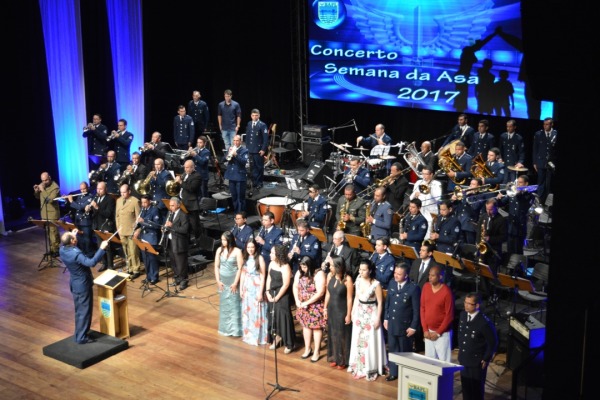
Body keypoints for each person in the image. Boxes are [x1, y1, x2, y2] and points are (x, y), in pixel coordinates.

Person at [59, 230, 108, 344]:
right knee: (85, 311)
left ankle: (79, 333)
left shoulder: (62, 250)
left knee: (79, 311)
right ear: (72, 241)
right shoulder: (76, 254)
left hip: (75, 284)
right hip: (82, 285)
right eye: (73, 238)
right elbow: (91, 263)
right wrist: (102, 249)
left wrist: (72, 236)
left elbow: (67, 244)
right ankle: (82, 337)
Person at [348, 259, 387, 381]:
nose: (361, 271)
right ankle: (358, 365)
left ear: (370, 271)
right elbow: (356, 298)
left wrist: (378, 319)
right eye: (360, 269)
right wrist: (352, 312)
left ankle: (370, 367)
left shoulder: (376, 284)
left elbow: (380, 303)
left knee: (370, 341)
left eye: (364, 270)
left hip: (371, 314)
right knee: (358, 339)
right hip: (360, 313)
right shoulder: (358, 280)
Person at [384, 263, 421, 382]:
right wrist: (386, 318)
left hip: (405, 325)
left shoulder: (413, 288)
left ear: (406, 275)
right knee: (393, 348)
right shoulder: (392, 283)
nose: (396, 275)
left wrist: (413, 327)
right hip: (392, 323)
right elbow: (388, 304)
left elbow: (416, 310)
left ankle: (406, 373)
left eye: (399, 274)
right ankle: (393, 372)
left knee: (405, 350)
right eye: (395, 273)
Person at [458, 292, 498, 400]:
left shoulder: (483, 322)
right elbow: (462, 335)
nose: (466, 305)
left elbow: (493, 342)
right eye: (465, 302)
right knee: (465, 389)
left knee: (476, 390)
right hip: (464, 359)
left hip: (476, 362)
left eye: (469, 304)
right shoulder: (463, 315)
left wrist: (486, 358)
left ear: (477, 305)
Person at [408, 242, 441, 352]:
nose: (420, 252)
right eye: (420, 250)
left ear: (430, 253)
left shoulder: (435, 266)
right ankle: (412, 342)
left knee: (423, 319)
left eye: (423, 250)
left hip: (426, 297)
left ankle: (420, 345)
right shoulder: (416, 262)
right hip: (413, 295)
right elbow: (412, 278)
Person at [293, 256, 327, 362]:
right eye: (301, 266)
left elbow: (320, 292)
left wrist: (307, 302)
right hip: (302, 304)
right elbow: (295, 286)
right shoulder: (300, 272)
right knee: (305, 327)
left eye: (305, 266)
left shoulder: (318, 273)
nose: (303, 269)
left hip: (315, 305)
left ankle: (317, 351)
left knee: (316, 328)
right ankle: (308, 349)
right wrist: (297, 301)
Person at [323, 254, 354, 370]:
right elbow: (328, 294)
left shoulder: (347, 279)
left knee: (342, 335)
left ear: (338, 266)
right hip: (332, 309)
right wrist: (325, 308)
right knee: (333, 333)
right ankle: (335, 357)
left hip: (342, 310)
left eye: (331, 265)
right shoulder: (330, 276)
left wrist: (348, 314)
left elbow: (350, 298)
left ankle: (343, 359)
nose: (329, 267)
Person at [420, 265, 454, 363]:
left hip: (442, 334)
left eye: (433, 276)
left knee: (444, 362)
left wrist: (438, 333)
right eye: (429, 275)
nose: (430, 277)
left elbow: (449, 315)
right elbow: (422, 308)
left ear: (440, 277)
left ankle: (445, 379)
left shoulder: (446, 292)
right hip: (428, 332)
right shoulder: (426, 287)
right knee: (429, 361)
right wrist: (425, 329)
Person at [265, 244, 295, 354]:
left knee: (283, 317)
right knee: (273, 317)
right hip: (272, 292)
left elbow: (286, 284)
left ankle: (289, 343)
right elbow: (269, 277)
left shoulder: (285, 266)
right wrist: (267, 292)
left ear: (278, 254)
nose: (270, 254)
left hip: (282, 295)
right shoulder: (272, 263)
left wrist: (277, 297)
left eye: (272, 253)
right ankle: (276, 337)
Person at [214, 231, 243, 337]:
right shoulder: (219, 250)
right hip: (223, 282)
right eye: (222, 239)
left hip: (233, 282)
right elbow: (216, 266)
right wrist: (218, 280)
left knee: (235, 305)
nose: (222, 242)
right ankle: (225, 329)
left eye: (224, 240)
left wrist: (235, 283)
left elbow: (240, 268)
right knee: (225, 305)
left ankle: (235, 330)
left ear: (230, 240)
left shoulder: (237, 251)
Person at [240, 239, 269, 346]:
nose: (250, 249)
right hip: (247, 287)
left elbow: (263, 276)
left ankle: (259, 337)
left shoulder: (260, 258)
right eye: (248, 247)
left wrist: (261, 292)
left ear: (255, 247)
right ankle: (249, 335)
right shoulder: (245, 257)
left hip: (256, 287)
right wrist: (241, 287)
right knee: (248, 312)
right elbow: (243, 273)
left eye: (252, 247)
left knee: (257, 311)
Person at [497, 174, 534, 256]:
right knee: (509, 249)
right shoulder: (512, 194)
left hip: (520, 227)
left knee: (518, 251)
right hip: (510, 225)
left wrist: (518, 192)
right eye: (517, 182)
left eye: (520, 183)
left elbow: (524, 202)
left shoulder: (529, 195)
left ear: (526, 184)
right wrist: (498, 199)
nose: (518, 184)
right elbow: (501, 203)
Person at [87, 182, 116, 271]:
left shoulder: (110, 199)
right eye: (97, 189)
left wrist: (97, 207)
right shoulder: (96, 198)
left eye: (101, 189)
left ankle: (110, 266)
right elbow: (94, 213)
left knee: (108, 247)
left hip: (106, 226)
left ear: (105, 189)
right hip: (97, 225)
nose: (98, 191)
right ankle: (104, 263)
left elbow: (108, 214)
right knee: (100, 246)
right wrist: (89, 209)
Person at [134, 195, 162, 285]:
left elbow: (156, 225)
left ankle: (154, 277)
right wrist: (137, 227)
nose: (143, 204)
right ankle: (148, 276)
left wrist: (143, 222)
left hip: (151, 237)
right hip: (143, 237)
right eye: (142, 202)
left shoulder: (154, 210)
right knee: (145, 258)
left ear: (149, 201)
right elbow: (140, 223)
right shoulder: (143, 210)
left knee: (152, 258)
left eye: (145, 202)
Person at [115, 183, 141, 279]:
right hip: (122, 230)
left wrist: (137, 230)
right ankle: (129, 268)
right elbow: (117, 216)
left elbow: (138, 217)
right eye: (121, 192)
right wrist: (118, 228)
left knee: (133, 251)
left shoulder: (135, 201)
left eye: (124, 192)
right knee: (126, 251)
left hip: (131, 231)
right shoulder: (118, 201)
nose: (122, 194)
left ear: (129, 191)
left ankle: (136, 269)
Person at [164, 197, 190, 290]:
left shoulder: (183, 215)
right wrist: (164, 228)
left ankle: (184, 280)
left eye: (172, 205)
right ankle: (177, 278)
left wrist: (172, 226)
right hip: (171, 241)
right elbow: (167, 225)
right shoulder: (170, 213)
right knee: (173, 262)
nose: (171, 207)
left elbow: (185, 230)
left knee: (181, 263)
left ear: (178, 205)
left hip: (180, 243)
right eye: (170, 205)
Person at [476, 198, 507, 275]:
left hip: (493, 251)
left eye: (491, 210)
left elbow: (504, 237)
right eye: (487, 209)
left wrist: (490, 239)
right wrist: (477, 242)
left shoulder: (502, 220)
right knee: (481, 273)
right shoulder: (483, 216)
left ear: (496, 208)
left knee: (491, 275)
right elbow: (479, 231)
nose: (488, 212)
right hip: (483, 250)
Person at [33, 172, 61, 256]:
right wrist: (36, 191)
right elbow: (38, 197)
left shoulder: (55, 187)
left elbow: (50, 200)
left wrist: (42, 190)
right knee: (48, 232)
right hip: (44, 213)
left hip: (52, 213)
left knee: (53, 232)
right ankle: (52, 249)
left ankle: (56, 249)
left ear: (50, 177)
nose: (44, 182)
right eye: (42, 180)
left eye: (46, 180)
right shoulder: (43, 186)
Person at [452, 178, 485, 245]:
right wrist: (453, 199)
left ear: (478, 186)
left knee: (470, 245)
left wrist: (468, 196)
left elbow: (475, 207)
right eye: (470, 183)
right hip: (459, 222)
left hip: (469, 225)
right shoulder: (464, 194)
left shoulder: (481, 196)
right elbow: (455, 206)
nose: (470, 185)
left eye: (473, 184)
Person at [176, 159, 201, 243]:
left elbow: (192, 188)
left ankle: (198, 240)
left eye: (188, 167)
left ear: (193, 167)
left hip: (191, 204)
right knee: (185, 223)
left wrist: (180, 182)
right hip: (182, 202)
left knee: (194, 224)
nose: (186, 169)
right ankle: (187, 240)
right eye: (185, 167)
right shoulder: (184, 174)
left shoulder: (197, 176)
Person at [532, 117, 557, 202]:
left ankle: (547, 201)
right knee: (541, 182)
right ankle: (539, 201)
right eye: (544, 124)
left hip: (551, 162)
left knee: (549, 183)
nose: (545, 126)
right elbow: (535, 148)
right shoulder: (538, 134)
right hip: (540, 161)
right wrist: (534, 162)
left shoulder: (555, 134)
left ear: (551, 124)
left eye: (547, 124)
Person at [67, 182, 95, 257]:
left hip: (86, 223)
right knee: (80, 240)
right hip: (78, 222)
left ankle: (89, 256)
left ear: (87, 188)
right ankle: (82, 255)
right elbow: (75, 206)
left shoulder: (90, 197)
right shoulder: (80, 196)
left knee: (87, 241)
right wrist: (67, 200)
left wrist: (71, 201)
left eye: (84, 189)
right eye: (81, 189)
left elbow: (80, 207)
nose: (82, 191)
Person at [224, 135, 249, 214]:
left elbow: (244, 162)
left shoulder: (244, 150)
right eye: (234, 140)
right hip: (231, 176)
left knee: (240, 197)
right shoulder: (230, 148)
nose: (235, 142)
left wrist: (236, 155)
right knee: (234, 196)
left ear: (240, 141)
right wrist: (228, 153)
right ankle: (236, 212)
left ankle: (241, 213)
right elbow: (224, 159)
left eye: (237, 140)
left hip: (240, 176)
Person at [244, 108, 268, 190]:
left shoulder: (262, 125)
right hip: (250, 149)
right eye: (253, 115)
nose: (254, 117)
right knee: (252, 167)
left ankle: (259, 183)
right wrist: (246, 148)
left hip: (258, 150)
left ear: (259, 115)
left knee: (259, 167)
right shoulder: (249, 123)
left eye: (256, 115)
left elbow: (265, 139)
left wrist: (263, 149)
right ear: (251, 116)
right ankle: (254, 182)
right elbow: (247, 137)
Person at [149, 158, 174, 222]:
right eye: (155, 164)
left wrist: (156, 178)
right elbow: (153, 185)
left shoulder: (166, 174)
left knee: (162, 220)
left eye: (158, 164)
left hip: (162, 202)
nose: (156, 166)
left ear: (162, 165)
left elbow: (166, 185)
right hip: (155, 201)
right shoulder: (156, 173)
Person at [190, 135, 211, 199]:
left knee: (203, 193)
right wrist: (189, 154)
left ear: (205, 143)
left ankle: (205, 207)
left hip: (202, 176)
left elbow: (202, 162)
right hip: (195, 175)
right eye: (197, 142)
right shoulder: (196, 150)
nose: (198, 144)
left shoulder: (207, 152)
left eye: (200, 142)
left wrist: (195, 155)